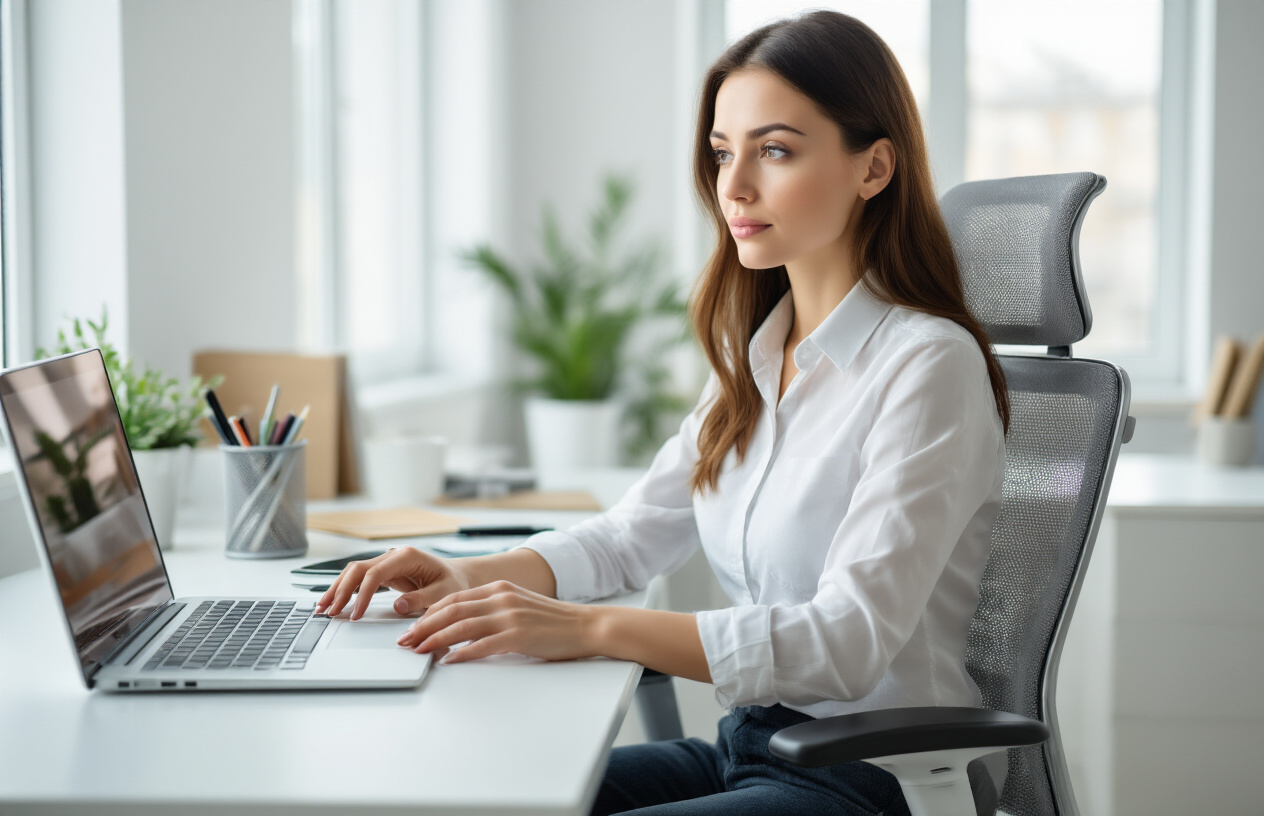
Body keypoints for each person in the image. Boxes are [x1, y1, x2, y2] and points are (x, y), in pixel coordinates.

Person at [316, 10, 1008, 816]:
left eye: (774, 150)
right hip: (748, 748)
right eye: (723, 153)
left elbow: (845, 643)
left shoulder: (926, 365)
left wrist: (589, 630)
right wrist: (467, 576)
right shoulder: (759, 356)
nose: (734, 186)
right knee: (460, 797)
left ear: (874, 168)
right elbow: (626, 538)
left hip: (868, 776)